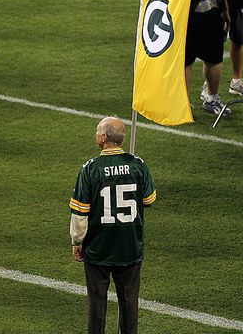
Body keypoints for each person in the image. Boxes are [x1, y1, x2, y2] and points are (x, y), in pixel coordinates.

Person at [69, 116, 156, 334]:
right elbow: (149, 200)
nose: (96, 134)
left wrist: (77, 241)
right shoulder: (138, 165)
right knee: (129, 302)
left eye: (98, 131)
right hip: (129, 246)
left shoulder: (90, 169)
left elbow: (80, 212)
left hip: (99, 247)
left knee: (96, 305)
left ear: (104, 137)